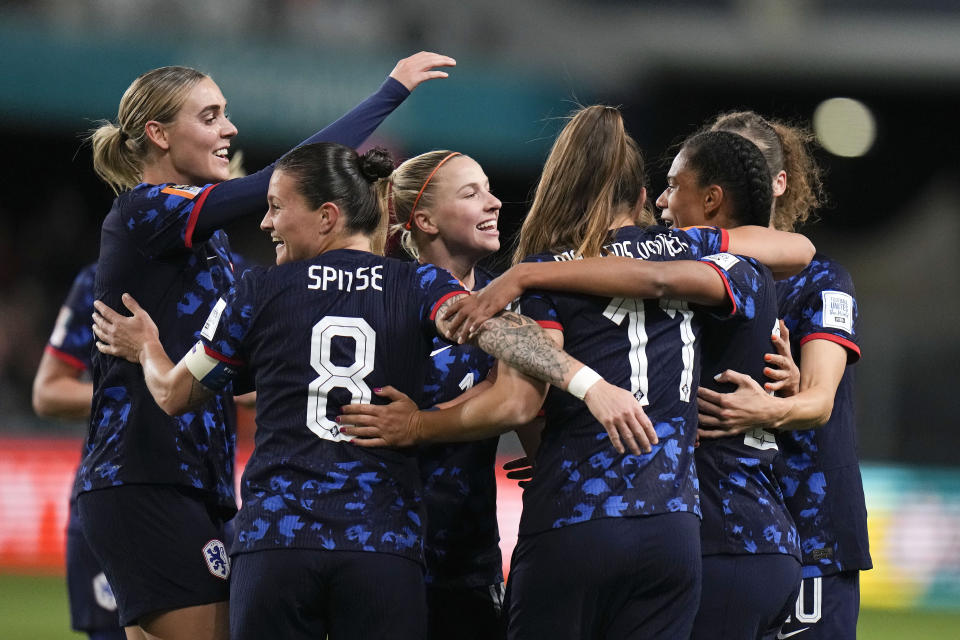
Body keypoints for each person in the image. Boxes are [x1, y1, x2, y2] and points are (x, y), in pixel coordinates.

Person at [90, 141, 653, 639]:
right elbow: (499, 336)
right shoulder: (415, 288)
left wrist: (148, 348)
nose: (265, 223)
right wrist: (590, 384)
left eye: (276, 208)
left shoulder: (259, 289)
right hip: (383, 545)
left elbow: (175, 393)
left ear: (328, 215)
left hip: (278, 540)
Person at [340, 106, 814, 639]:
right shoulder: (703, 259)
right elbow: (797, 249)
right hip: (675, 527)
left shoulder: (539, 278)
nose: (494, 201)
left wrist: (426, 424)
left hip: (554, 523)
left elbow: (521, 400)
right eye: (471, 192)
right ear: (638, 197)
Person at [76, 52, 455, 640]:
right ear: (157, 133)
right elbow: (277, 180)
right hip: (145, 472)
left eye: (225, 114)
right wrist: (389, 94)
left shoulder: (214, 246)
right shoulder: (144, 211)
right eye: (209, 116)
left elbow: (235, 359)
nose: (229, 128)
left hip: (193, 477)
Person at [695, 111, 871, 640]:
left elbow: (818, 401)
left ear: (778, 183)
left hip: (809, 530)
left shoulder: (822, 280)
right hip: (711, 533)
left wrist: (767, 408)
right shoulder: (687, 278)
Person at [654, 130, 802, 639]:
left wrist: (526, 278)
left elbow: (649, 279)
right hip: (758, 535)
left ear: (712, 198)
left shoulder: (724, 272)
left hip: (724, 537)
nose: (660, 201)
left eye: (673, 187)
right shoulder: (754, 271)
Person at [380, 150, 508, 638]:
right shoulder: (386, 296)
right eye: (471, 193)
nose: (494, 202)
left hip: (471, 559)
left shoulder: (510, 297)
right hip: (387, 548)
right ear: (424, 220)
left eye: (489, 188)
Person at [32, 263, 124, 640]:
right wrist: (137, 393)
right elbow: (47, 391)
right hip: (112, 498)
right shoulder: (101, 281)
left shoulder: (234, 275)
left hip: (203, 504)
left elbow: (250, 391)